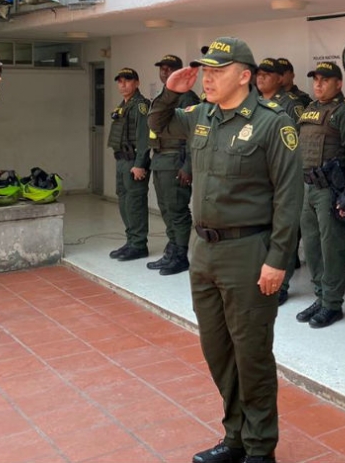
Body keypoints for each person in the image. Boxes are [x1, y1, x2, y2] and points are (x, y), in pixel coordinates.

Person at [148, 37, 301, 463]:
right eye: (205, 70)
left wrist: (277, 259)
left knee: (251, 354)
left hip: (248, 252)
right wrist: (171, 90)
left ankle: (258, 448)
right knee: (218, 351)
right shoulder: (201, 116)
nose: (208, 77)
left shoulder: (274, 123)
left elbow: (289, 198)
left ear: (245, 75)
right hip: (204, 252)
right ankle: (235, 436)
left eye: (217, 70)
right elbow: (159, 123)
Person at [294, 61, 345, 328]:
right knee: (311, 247)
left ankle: (332, 304)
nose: (319, 84)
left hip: (330, 190)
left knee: (331, 248)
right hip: (307, 187)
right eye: (316, 80)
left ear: (339, 84)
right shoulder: (311, 109)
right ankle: (320, 296)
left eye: (325, 80)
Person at [256, 57, 304, 305]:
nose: (261, 78)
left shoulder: (291, 106)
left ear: (280, 78)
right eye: (259, 74)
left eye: (267, 74)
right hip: (258, 180)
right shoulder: (253, 104)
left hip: (281, 177)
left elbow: (293, 146)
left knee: (284, 231)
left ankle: (281, 284)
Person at [147, 55, 200, 275]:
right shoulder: (164, 97)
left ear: (179, 72)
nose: (164, 72)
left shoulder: (187, 97)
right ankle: (172, 248)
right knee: (166, 208)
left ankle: (180, 254)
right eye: (162, 69)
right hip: (160, 158)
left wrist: (188, 166)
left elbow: (193, 134)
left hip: (176, 159)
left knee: (177, 208)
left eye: (169, 69)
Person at [108, 68, 152, 261]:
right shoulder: (124, 105)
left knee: (134, 203)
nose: (123, 84)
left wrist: (140, 164)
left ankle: (139, 244)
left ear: (137, 83)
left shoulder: (141, 106)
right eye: (120, 81)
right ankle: (131, 240)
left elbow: (144, 137)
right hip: (121, 160)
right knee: (124, 201)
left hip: (134, 161)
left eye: (127, 80)